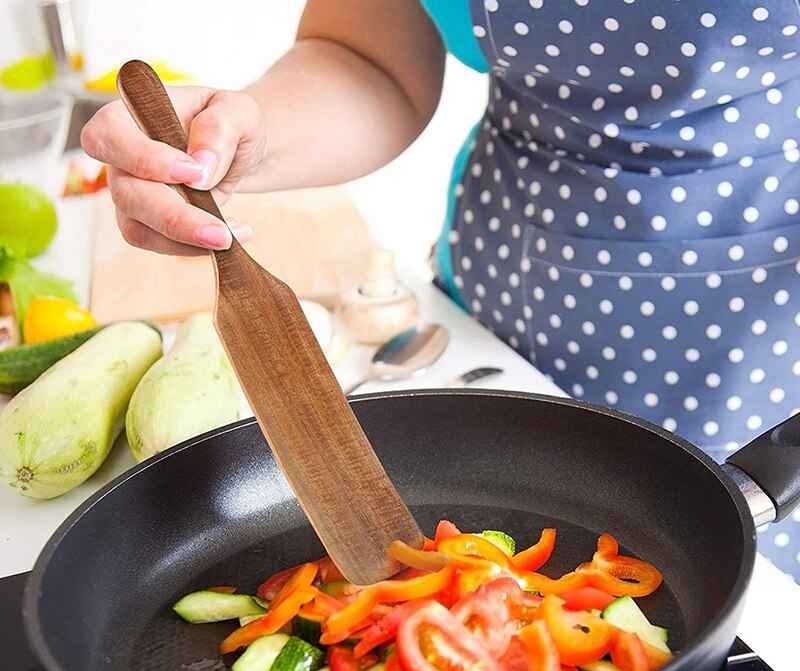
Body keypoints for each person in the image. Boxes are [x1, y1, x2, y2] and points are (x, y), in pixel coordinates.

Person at [81, 0, 800, 579]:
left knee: (730, 576)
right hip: (504, 293)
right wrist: (245, 134)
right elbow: (371, 54)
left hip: (753, 332)